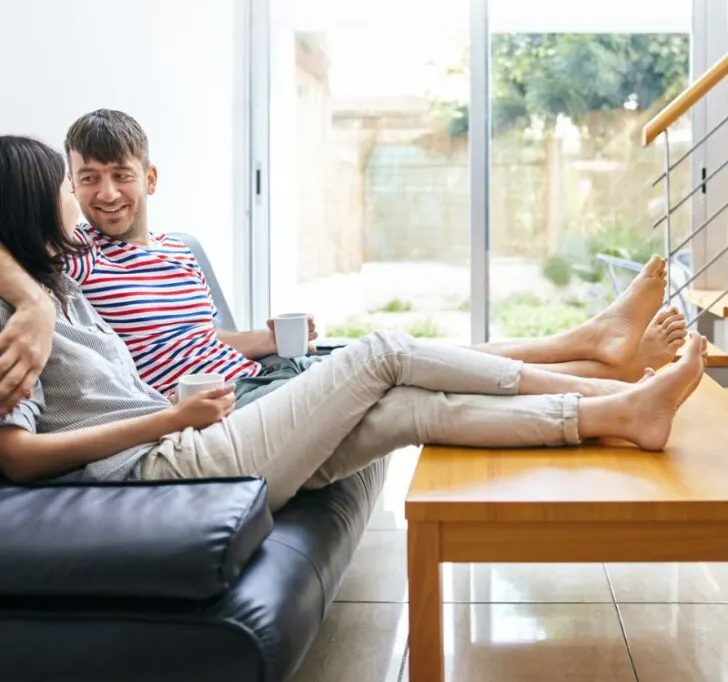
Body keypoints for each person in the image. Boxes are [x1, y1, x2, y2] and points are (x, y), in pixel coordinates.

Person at [0, 136, 707, 511]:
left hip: (200, 432)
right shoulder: (19, 321)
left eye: (106, 176)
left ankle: (617, 414)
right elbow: (15, 456)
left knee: (406, 410)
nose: (86, 196)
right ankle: (607, 391)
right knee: (384, 352)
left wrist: (34, 297)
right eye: (73, 183)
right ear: (36, 206)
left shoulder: (57, 285)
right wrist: (167, 420)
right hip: (169, 460)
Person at [0, 110, 688, 414]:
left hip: (263, 368)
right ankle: (599, 360)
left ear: (150, 178)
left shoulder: (180, 255)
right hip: (233, 403)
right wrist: (31, 303)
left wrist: (263, 340)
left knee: (428, 353)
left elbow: (193, 344)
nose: (104, 193)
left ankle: (600, 354)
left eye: (118, 174)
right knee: (417, 366)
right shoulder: (75, 258)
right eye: (86, 178)